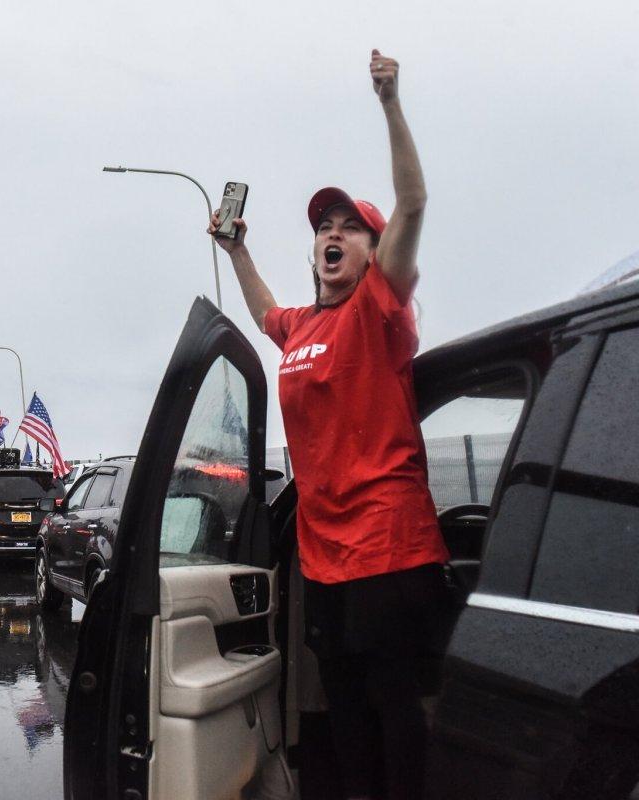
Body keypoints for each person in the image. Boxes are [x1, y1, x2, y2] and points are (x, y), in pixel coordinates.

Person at [209, 50, 446, 800]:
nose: (332, 236)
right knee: (340, 704)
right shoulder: (305, 324)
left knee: (392, 706)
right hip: (324, 552)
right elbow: (261, 311)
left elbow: (413, 203)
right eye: (323, 228)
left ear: (375, 252)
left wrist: (390, 102)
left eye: (350, 227)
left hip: (389, 543)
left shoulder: (380, 307)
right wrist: (238, 248)